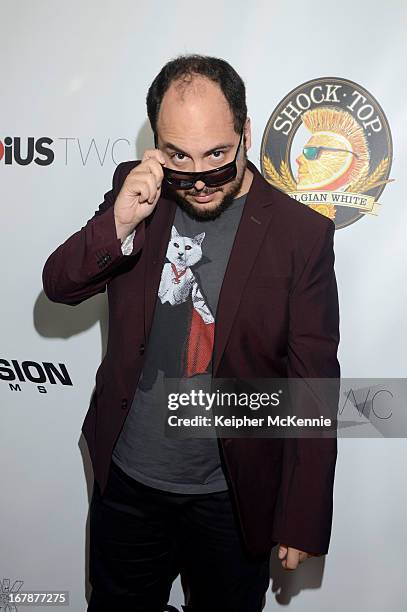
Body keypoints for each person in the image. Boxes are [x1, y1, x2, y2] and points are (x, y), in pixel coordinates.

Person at [42, 54, 340, 612]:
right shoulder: (136, 194)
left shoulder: (301, 235)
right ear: (156, 144)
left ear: (245, 134)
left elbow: (314, 385)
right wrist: (120, 222)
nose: (200, 178)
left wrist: (300, 516)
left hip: (232, 498)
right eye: (179, 156)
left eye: (218, 157)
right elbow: (59, 286)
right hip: (128, 484)